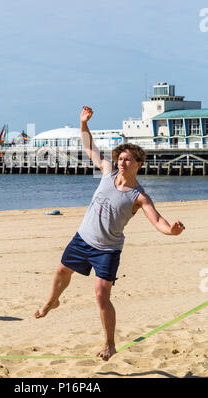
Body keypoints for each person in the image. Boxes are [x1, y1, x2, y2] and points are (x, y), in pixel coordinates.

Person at [34, 105, 185, 361]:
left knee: (102, 295)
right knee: (61, 271)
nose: (122, 162)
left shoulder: (140, 197)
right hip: (83, 238)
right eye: (120, 158)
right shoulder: (107, 172)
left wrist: (171, 231)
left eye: (128, 159)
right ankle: (52, 301)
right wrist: (83, 124)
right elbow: (89, 147)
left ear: (139, 164)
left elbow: (158, 220)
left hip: (108, 249)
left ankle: (109, 343)